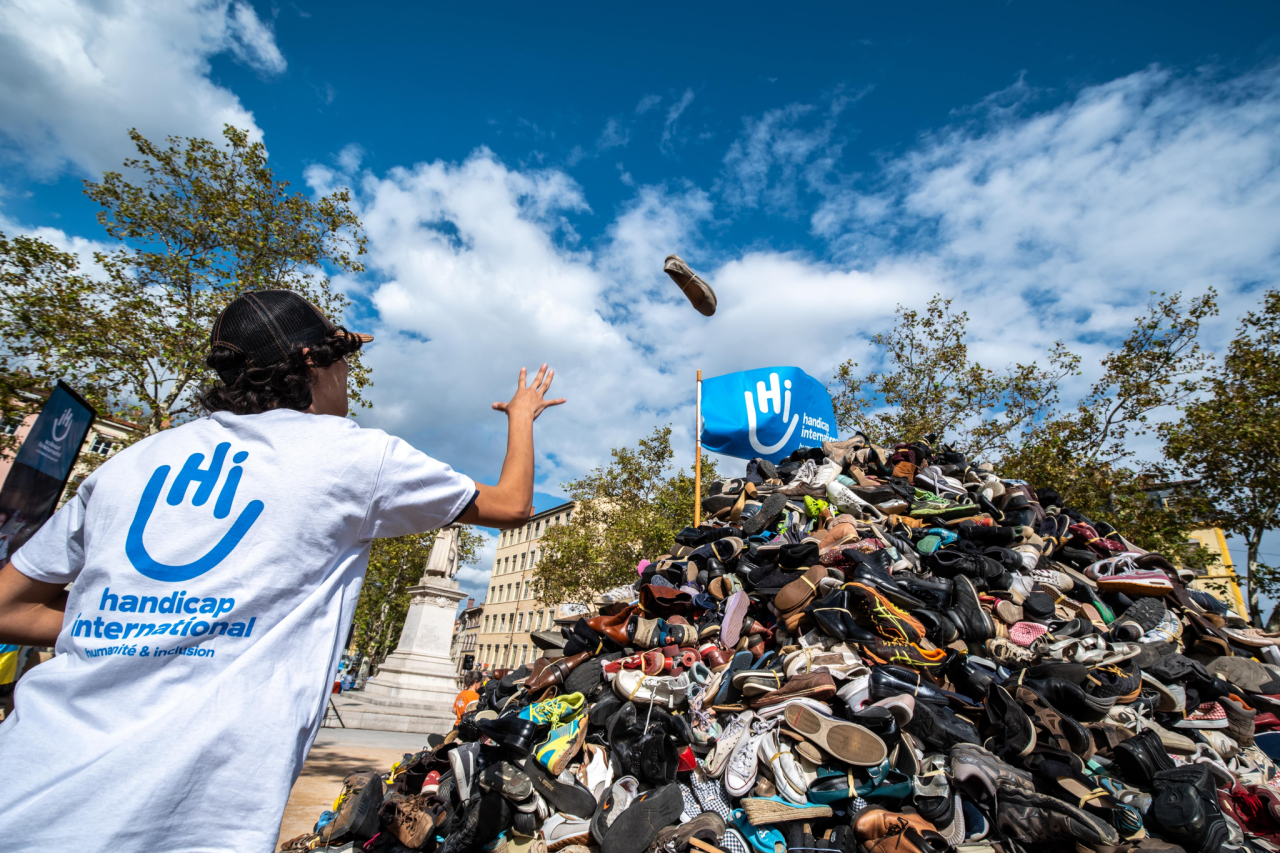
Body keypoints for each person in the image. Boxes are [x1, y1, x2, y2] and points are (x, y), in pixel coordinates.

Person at [0, 290, 564, 851]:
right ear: (313, 365)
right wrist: (521, 416)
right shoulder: (353, 456)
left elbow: (9, 606)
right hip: (166, 819)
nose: (347, 378)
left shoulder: (131, 463)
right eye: (343, 362)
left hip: (23, 775)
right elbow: (512, 505)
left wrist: (138, 621)